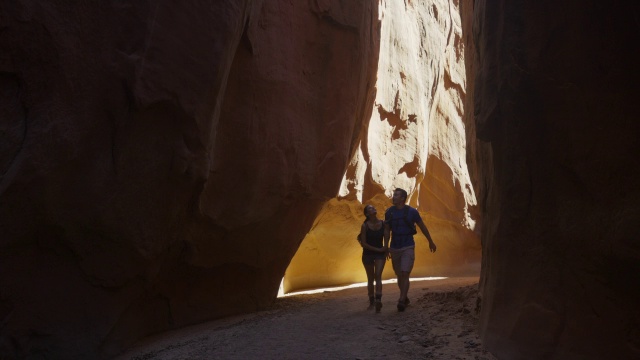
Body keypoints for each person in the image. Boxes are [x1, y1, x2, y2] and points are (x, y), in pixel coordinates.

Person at [384, 188, 436, 312]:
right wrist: (386, 246)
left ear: (402, 198)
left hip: (408, 246)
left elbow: (422, 226)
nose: (393, 197)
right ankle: (405, 296)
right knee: (399, 275)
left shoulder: (412, 212)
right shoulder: (389, 212)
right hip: (395, 247)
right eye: (394, 195)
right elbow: (386, 230)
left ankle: (401, 300)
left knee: (405, 273)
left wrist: (430, 241)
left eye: (396, 195)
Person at [357, 204, 387, 313]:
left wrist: (385, 249)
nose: (373, 208)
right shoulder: (365, 226)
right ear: (367, 214)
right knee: (371, 277)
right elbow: (364, 243)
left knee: (378, 275)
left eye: (374, 207)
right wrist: (379, 250)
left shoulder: (383, 224)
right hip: (368, 254)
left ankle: (378, 300)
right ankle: (371, 302)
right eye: (370, 208)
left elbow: (387, 237)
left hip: (379, 254)